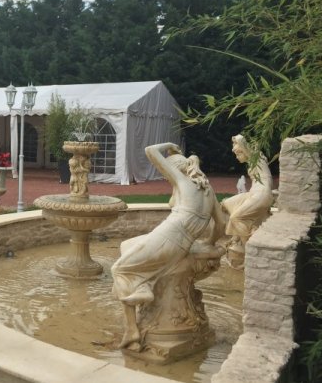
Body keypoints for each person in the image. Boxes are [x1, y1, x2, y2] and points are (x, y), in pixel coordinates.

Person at [111, 143, 226, 350]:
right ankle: (143, 284)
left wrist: (170, 146)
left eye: (167, 174)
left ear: (176, 170)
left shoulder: (182, 181)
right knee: (126, 244)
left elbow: (150, 151)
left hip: (167, 237)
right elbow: (221, 225)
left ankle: (132, 328)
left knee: (118, 269)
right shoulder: (208, 191)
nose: (166, 178)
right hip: (181, 246)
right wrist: (208, 244)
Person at [221, 135, 273, 267]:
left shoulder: (256, 157)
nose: (236, 155)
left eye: (238, 152)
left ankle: (249, 250)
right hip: (253, 193)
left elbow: (243, 142)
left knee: (236, 217)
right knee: (226, 203)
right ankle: (239, 235)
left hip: (261, 194)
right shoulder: (252, 161)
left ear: (245, 149)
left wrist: (239, 141)